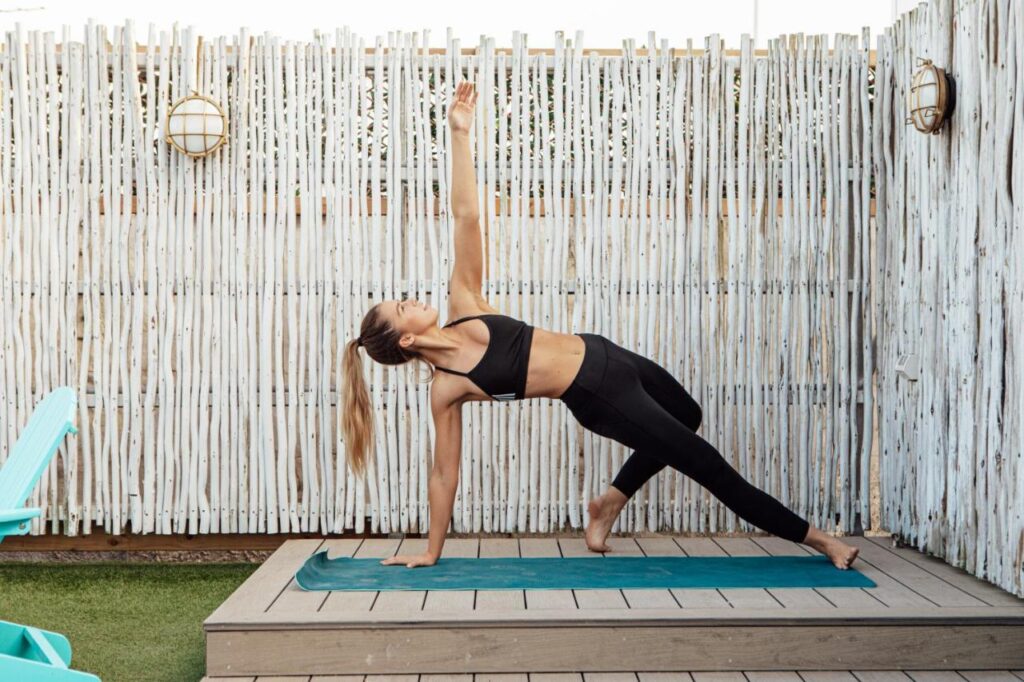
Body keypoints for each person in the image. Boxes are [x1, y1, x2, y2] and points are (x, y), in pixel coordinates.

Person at [342, 80, 860, 572]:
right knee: (707, 465)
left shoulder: (464, 301)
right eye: (402, 306)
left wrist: (459, 134)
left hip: (604, 351)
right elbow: (443, 474)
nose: (411, 299)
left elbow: (466, 217)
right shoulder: (447, 389)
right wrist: (431, 551)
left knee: (688, 413)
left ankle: (607, 503)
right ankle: (821, 540)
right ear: (405, 338)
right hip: (595, 394)